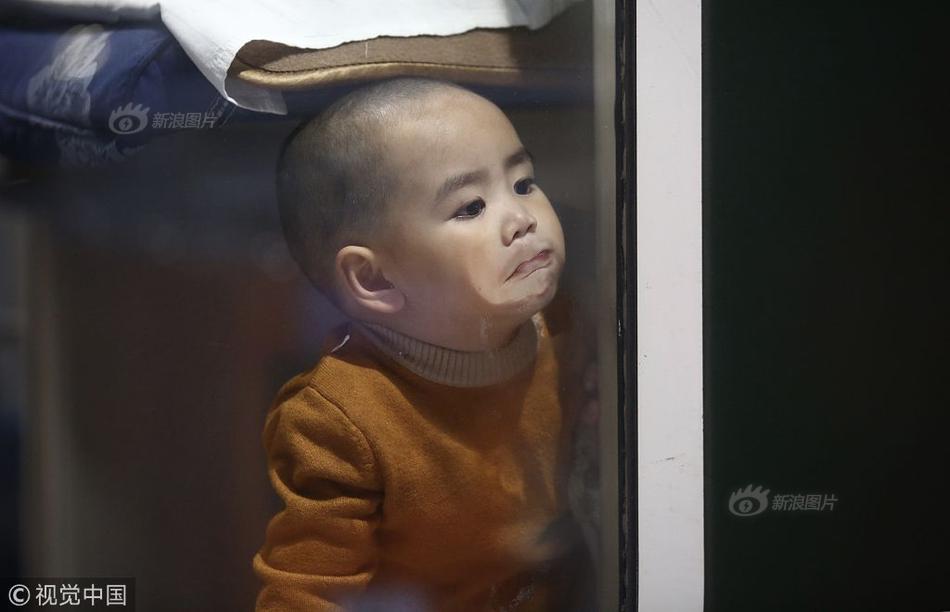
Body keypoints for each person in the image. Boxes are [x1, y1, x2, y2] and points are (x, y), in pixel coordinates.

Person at [253, 78, 589, 611]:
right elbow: (308, 594)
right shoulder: (338, 419)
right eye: (471, 207)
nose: (523, 219)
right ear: (376, 280)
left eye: (524, 183)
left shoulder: (569, 326)